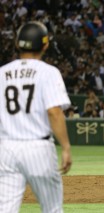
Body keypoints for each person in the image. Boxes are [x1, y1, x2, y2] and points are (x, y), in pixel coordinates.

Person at [0, 21, 72, 212]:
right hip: (37, 148)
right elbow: (54, 112)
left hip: (6, 149)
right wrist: (65, 147)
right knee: (52, 209)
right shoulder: (48, 72)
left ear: (17, 44)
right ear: (45, 45)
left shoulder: (2, 73)